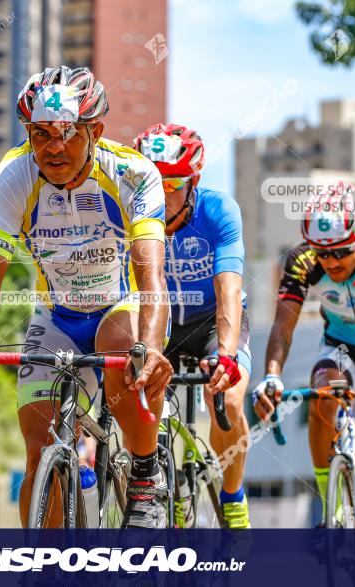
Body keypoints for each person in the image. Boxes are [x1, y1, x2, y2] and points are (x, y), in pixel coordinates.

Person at [0, 66, 173, 528]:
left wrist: (149, 346)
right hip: (54, 317)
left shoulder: (131, 173)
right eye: (39, 133)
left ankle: (146, 478)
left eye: (66, 133)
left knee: (121, 348)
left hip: (119, 305)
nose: (52, 147)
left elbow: (151, 276)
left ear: (95, 131)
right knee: (37, 449)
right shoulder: (14, 175)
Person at [251, 187, 355, 529]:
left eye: (340, 252)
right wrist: (271, 375)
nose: (330, 262)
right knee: (322, 399)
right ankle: (331, 502)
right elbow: (283, 327)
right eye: (322, 253)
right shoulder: (302, 261)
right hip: (340, 348)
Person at [134, 123, 252, 528]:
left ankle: (233, 499)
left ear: (194, 181)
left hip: (209, 321)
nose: (161, 196)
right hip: (158, 323)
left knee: (231, 401)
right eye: (152, 183)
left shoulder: (218, 211)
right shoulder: (128, 211)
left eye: (173, 185)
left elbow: (229, 291)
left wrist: (227, 355)